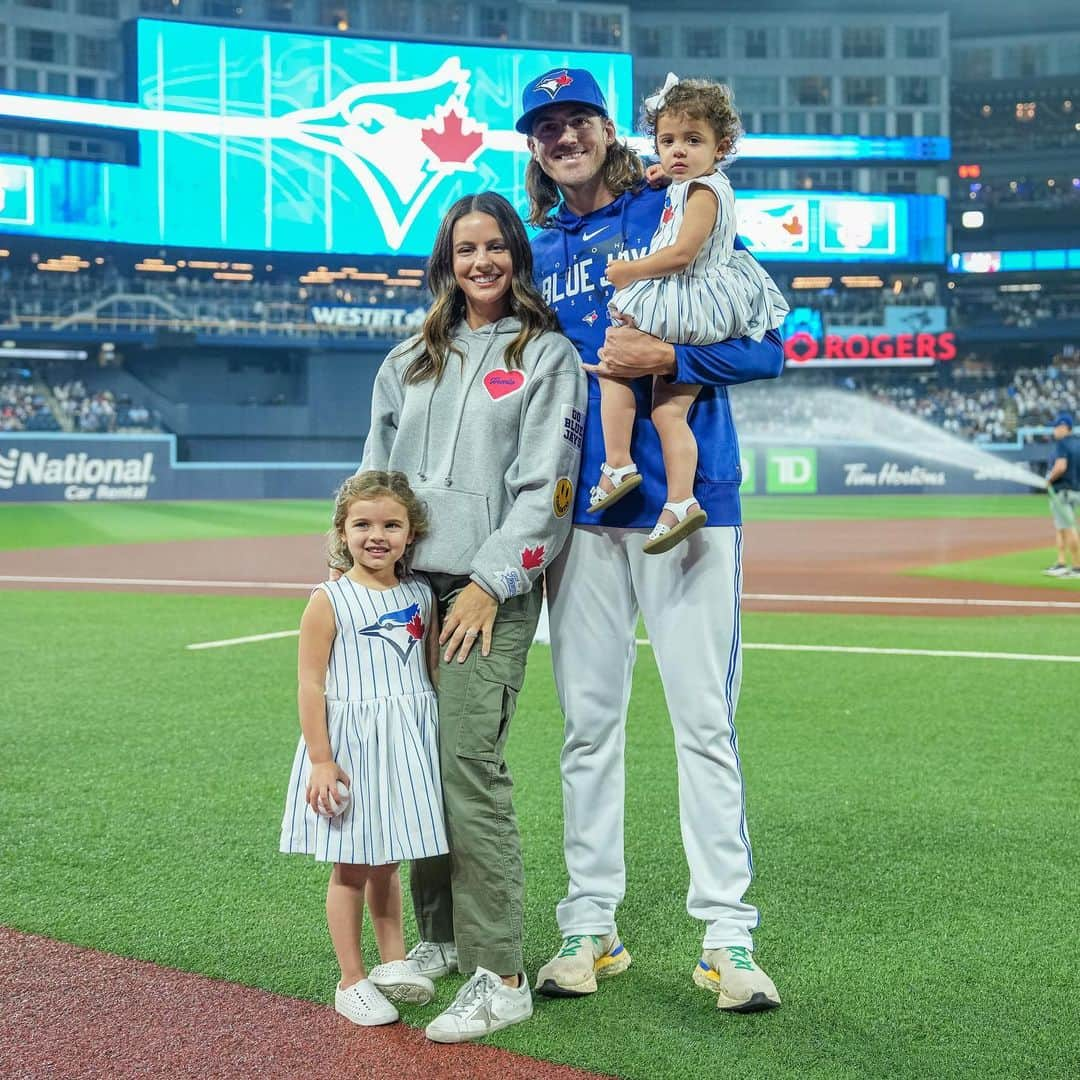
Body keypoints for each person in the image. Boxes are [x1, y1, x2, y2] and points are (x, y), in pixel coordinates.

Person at [517, 68, 786, 1011]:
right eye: (545, 127)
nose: (563, 137)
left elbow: (767, 344)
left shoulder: (673, 205)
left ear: (605, 128)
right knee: (588, 729)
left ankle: (727, 938)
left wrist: (670, 356)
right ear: (535, 147)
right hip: (582, 514)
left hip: (689, 506)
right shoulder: (536, 250)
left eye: (576, 120)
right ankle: (592, 924)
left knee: (704, 726)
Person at [354, 191, 587, 1042]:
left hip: (488, 593)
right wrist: (359, 570)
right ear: (446, 262)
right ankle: (444, 938)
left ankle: (502, 972)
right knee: (421, 759)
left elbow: (547, 491)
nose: (480, 262)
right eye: (464, 250)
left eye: (494, 247)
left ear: (515, 256)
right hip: (408, 592)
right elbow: (374, 478)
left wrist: (493, 581)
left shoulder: (548, 355)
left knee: (466, 761)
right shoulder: (410, 354)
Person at [279, 470, 446, 1028]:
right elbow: (310, 683)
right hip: (350, 748)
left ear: (410, 532)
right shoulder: (329, 599)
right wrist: (321, 759)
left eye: (391, 524)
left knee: (388, 856)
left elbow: (428, 669)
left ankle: (393, 962)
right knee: (351, 865)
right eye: (363, 524)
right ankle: (351, 979)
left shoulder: (420, 592)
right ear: (342, 531)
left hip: (404, 742)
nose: (378, 535)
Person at [598, 73, 789, 554]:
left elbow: (682, 254)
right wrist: (667, 174)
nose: (677, 151)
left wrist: (630, 271)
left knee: (614, 364)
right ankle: (680, 500)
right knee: (667, 411)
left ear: (721, 147)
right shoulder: (692, 184)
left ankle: (617, 464)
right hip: (701, 305)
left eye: (693, 140)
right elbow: (682, 187)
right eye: (667, 141)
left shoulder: (703, 192)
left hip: (687, 299)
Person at [1043, 411, 1080, 578]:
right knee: (1063, 527)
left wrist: (1048, 480)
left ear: (1065, 427)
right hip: (1075, 491)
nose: (1054, 431)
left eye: (1057, 427)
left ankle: (1077, 567)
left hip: (1062, 491)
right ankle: (1062, 563)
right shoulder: (1078, 444)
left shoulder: (1062, 444)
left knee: (1068, 527)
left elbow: (1060, 467)